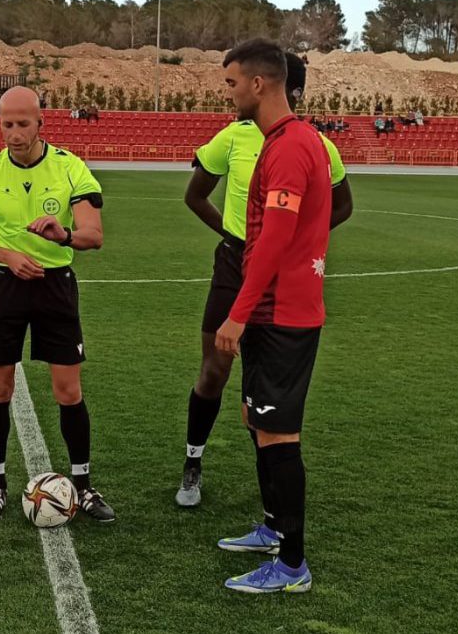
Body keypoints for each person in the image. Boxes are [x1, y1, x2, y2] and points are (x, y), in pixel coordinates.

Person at [177, 51, 351, 509]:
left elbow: (341, 206)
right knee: (214, 370)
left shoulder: (308, 143)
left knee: (266, 397)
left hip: (277, 278)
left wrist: (294, 244)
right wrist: (238, 241)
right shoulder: (234, 136)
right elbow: (195, 195)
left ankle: (275, 509)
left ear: (266, 84)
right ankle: (193, 462)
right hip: (236, 264)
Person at [0, 86, 115, 523]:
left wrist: (62, 235)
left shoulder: (70, 168)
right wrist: (6, 255)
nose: (14, 133)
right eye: (7, 124)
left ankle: (83, 486)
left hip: (55, 288)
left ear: (40, 121)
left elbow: (93, 235)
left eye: (23, 124)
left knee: (68, 390)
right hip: (4, 287)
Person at [213, 38, 334, 594]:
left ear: (259, 83)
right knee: (260, 425)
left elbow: (275, 241)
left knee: (279, 435)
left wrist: (237, 315)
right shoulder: (286, 140)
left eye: (233, 82)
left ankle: (292, 565)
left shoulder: (288, 147)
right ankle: (272, 527)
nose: (230, 93)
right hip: (275, 310)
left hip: (281, 313)